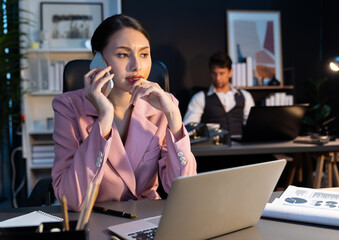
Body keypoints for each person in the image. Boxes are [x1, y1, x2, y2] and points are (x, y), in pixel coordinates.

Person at [51, 14, 197, 211]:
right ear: (98, 59)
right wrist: (104, 118)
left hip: (146, 218)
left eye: (144, 54)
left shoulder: (163, 104)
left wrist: (174, 118)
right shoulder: (68, 106)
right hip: (94, 218)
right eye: (123, 55)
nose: (136, 66)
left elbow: (185, 192)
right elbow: (71, 200)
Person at [183, 52, 255, 136]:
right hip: (214, 146)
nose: (218, 78)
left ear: (230, 72)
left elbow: (253, 126)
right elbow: (188, 128)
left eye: (222, 73)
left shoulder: (245, 96)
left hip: (241, 145)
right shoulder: (200, 97)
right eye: (214, 73)